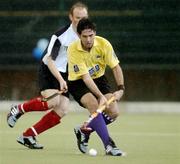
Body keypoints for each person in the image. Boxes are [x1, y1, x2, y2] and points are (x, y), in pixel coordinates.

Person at [7, 2, 88, 149]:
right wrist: (60, 80)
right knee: (51, 101)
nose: (81, 20)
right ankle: (18, 109)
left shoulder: (87, 36)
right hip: (50, 69)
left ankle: (28, 135)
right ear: (71, 17)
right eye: (78, 17)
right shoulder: (61, 36)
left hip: (66, 74)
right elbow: (50, 60)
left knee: (63, 108)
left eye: (84, 17)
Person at [67, 18, 125, 156]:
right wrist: (100, 97)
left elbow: (116, 67)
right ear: (79, 35)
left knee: (114, 111)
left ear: (95, 33)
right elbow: (86, 78)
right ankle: (109, 146)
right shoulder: (73, 49)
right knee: (95, 106)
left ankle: (84, 129)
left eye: (91, 35)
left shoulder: (104, 44)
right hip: (78, 82)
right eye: (84, 36)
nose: (88, 39)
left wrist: (121, 88)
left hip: (99, 79)